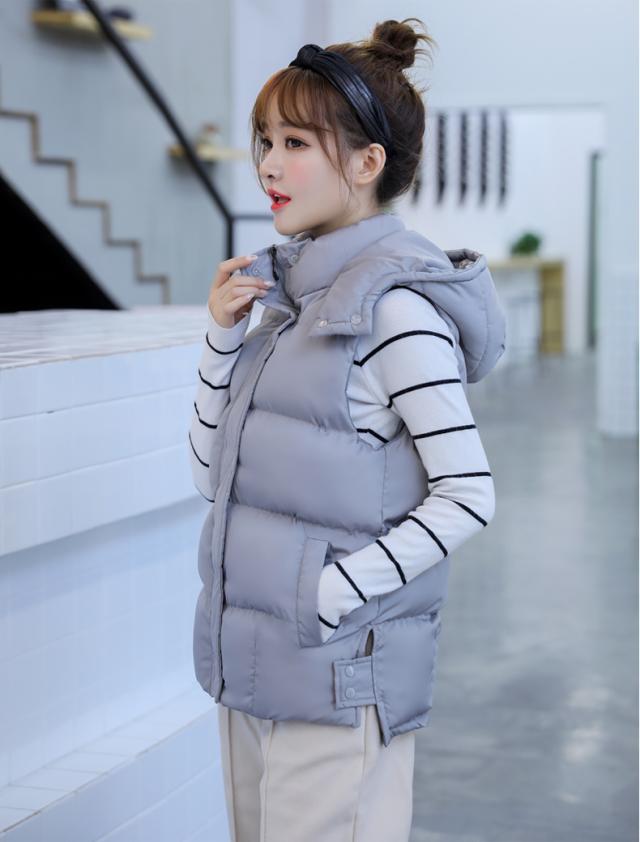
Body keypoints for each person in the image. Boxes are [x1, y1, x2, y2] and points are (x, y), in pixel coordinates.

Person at [189, 17, 506, 842]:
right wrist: (221, 340)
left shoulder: (397, 312)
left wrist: (327, 597)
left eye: (295, 143)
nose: (268, 164)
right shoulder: (288, 309)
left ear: (367, 164)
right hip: (251, 673)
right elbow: (208, 478)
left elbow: (469, 494)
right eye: (266, 140)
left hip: (338, 683)